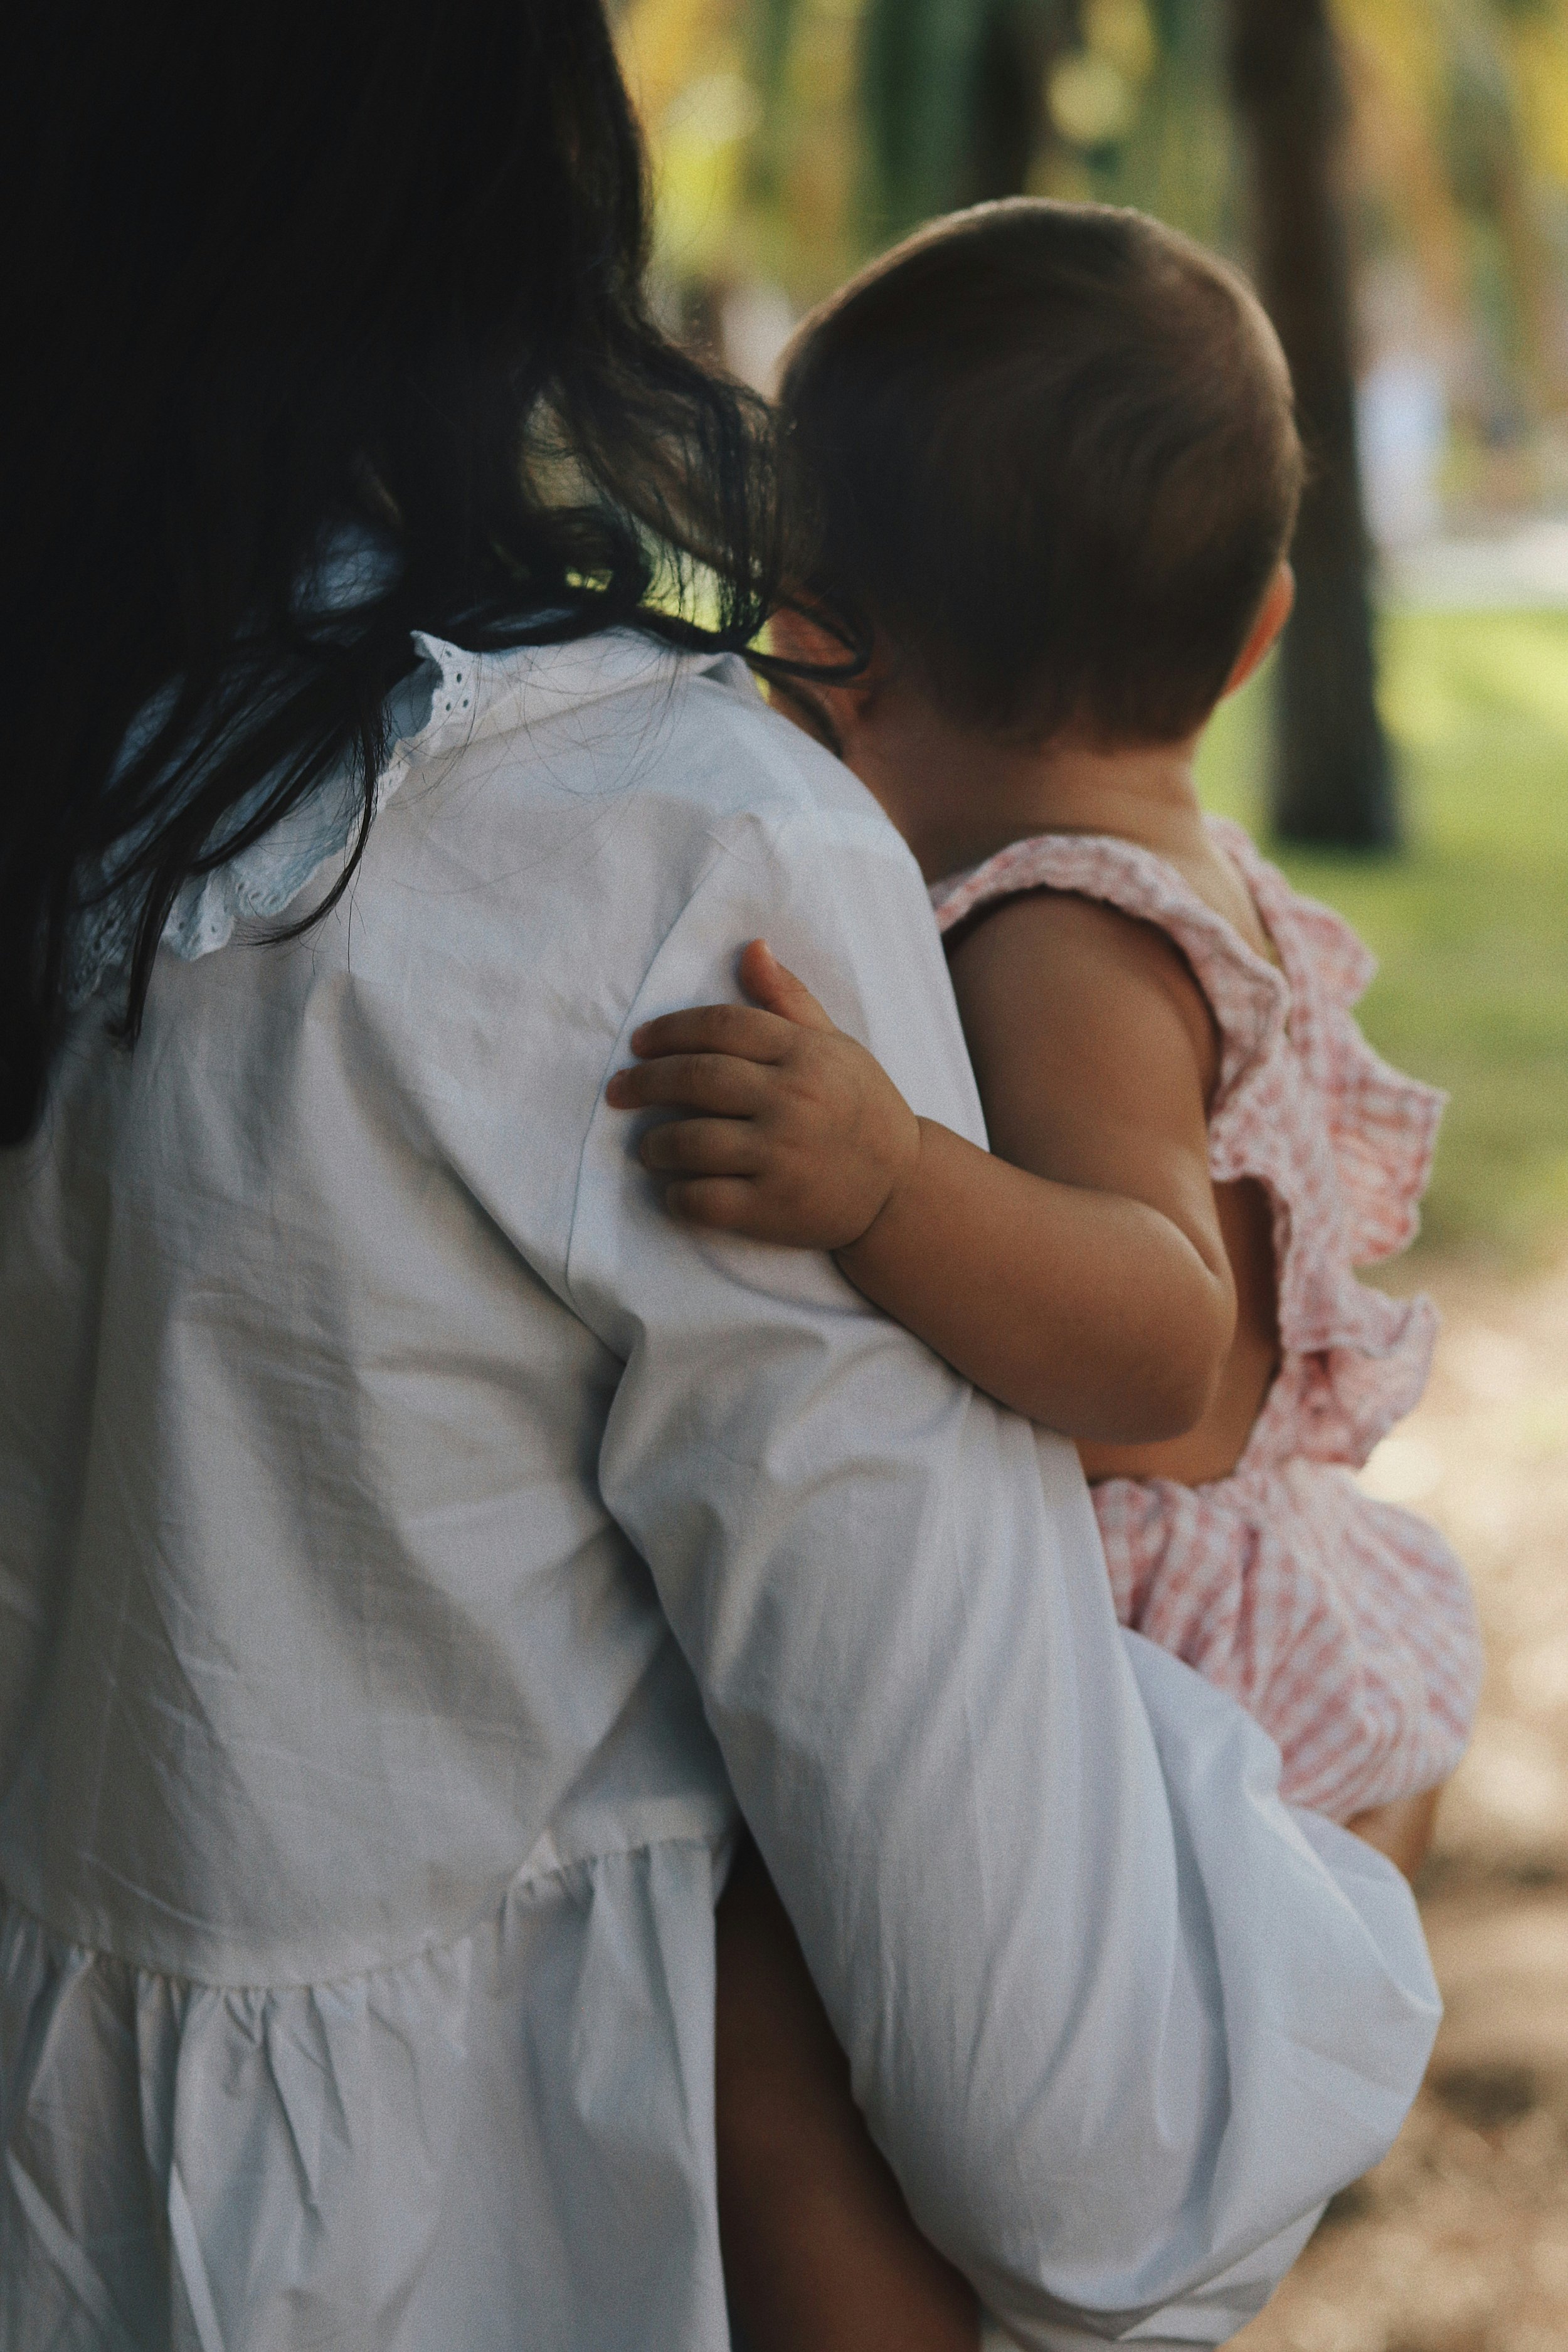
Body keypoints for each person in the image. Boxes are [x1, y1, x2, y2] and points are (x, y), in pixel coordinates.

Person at [3, 21, 1439, 2350]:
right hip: (508, 2248)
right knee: (801, 2045)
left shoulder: (118, 782)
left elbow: (1175, 1347)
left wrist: (886, 1180)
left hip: (96, 2206)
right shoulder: (659, 853)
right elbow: (1068, 2144)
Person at [607, 202, 1481, 2346]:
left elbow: (1161, 1334)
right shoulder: (1172, 877)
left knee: (761, 2033)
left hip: (1155, 1667)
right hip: (1230, 1631)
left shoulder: (1057, 932)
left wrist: (887, 1177)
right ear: (1263, 630)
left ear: (820, 641)